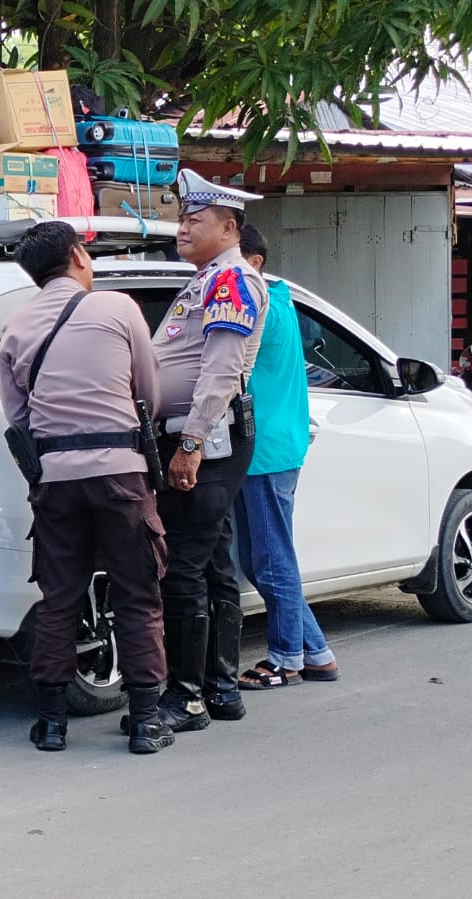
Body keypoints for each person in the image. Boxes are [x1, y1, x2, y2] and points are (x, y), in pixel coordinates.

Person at [0, 221, 175, 755]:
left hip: (54, 480)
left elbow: (18, 416)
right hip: (121, 472)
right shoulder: (119, 309)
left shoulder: (15, 325)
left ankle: (51, 724)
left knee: (59, 598)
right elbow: (151, 392)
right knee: (138, 595)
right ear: (78, 255)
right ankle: (145, 723)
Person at [146, 170, 269, 732]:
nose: (181, 229)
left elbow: (220, 372)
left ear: (229, 227)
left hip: (207, 439)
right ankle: (222, 689)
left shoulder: (230, 281)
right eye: (181, 219)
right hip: (200, 436)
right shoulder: (205, 280)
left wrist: (190, 444)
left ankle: (187, 697)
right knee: (215, 562)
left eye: (194, 221)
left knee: (185, 569)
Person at [233, 225, 339, 689]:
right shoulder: (279, 297)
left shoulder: (260, 304)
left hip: (265, 448)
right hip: (275, 444)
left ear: (253, 261)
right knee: (263, 559)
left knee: (271, 558)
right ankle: (316, 653)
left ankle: (284, 660)